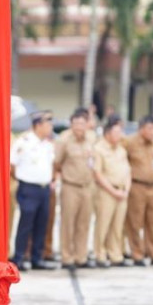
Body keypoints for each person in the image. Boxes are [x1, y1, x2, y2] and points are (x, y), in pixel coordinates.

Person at [10, 111, 56, 271]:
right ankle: (19, 257)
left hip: (44, 189)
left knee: (41, 224)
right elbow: (12, 165)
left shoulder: (48, 144)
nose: (50, 127)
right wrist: (22, 179)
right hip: (28, 188)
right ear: (38, 125)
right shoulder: (24, 142)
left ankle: (37, 258)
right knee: (26, 224)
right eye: (47, 124)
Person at [55, 108, 96, 269]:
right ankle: (67, 257)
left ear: (87, 124)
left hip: (87, 186)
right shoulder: (64, 140)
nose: (79, 126)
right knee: (68, 223)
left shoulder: (91, 139)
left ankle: (81, 256)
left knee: (84, 223)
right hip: (70, 186)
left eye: (82, 123)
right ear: (71, 125)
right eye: (76, 123)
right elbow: (57, 163)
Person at [123, 116, 153, 265]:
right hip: (137, 186)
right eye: (149, 128)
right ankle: (137, 254)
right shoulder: (130, 142)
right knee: (135, 222)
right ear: (141, 129)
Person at [92, 116, 132, 267]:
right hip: (106, 191)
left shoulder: (121, 150)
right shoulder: (98, 149)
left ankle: (115, 255)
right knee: (103, 224)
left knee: (118, 226)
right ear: (108, 133)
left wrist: (126, 189)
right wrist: (113, 191)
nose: (120, 135)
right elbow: (97, 173)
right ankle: (100, 254)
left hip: (122, 192)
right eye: (117, 132)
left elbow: (127, 171)